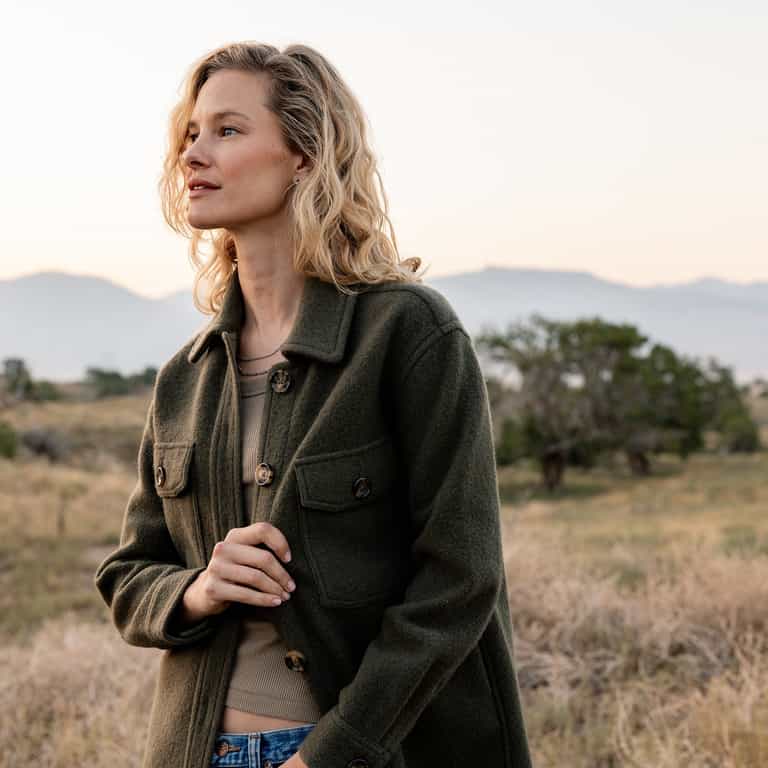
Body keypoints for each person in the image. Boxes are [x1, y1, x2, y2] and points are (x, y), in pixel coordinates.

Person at [95, 41, 533, 768]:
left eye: (228, 130)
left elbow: (461, 580)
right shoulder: (185, 378)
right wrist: (199, 589)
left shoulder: (408, 333)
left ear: (304, 153)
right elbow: (128, 573)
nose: (194, 155)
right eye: (191, 135)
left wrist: (334, 753)